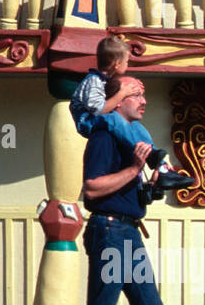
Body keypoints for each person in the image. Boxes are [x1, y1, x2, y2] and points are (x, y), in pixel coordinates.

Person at [38, 83, 205, 305]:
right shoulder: (104, 136)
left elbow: (125, 192)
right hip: (110, 232)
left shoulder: (128, 140)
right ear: (118, 103)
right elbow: (91, 189)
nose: (144, 101)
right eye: (137, 95)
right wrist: (134, 170)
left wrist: (145, 188)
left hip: (127, 233)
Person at [71, 37, 192, 192]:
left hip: (101, 118)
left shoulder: (104, 80)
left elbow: (111, 93)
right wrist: (123, 92)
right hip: (87, 120)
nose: (128, 65)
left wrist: (132, 87)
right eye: (127, 62)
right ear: (116, 64)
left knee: (135, 126)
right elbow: (98, 110)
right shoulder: (93, 81)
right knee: (115, 119)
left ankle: (157, 160)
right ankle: (150, 157)